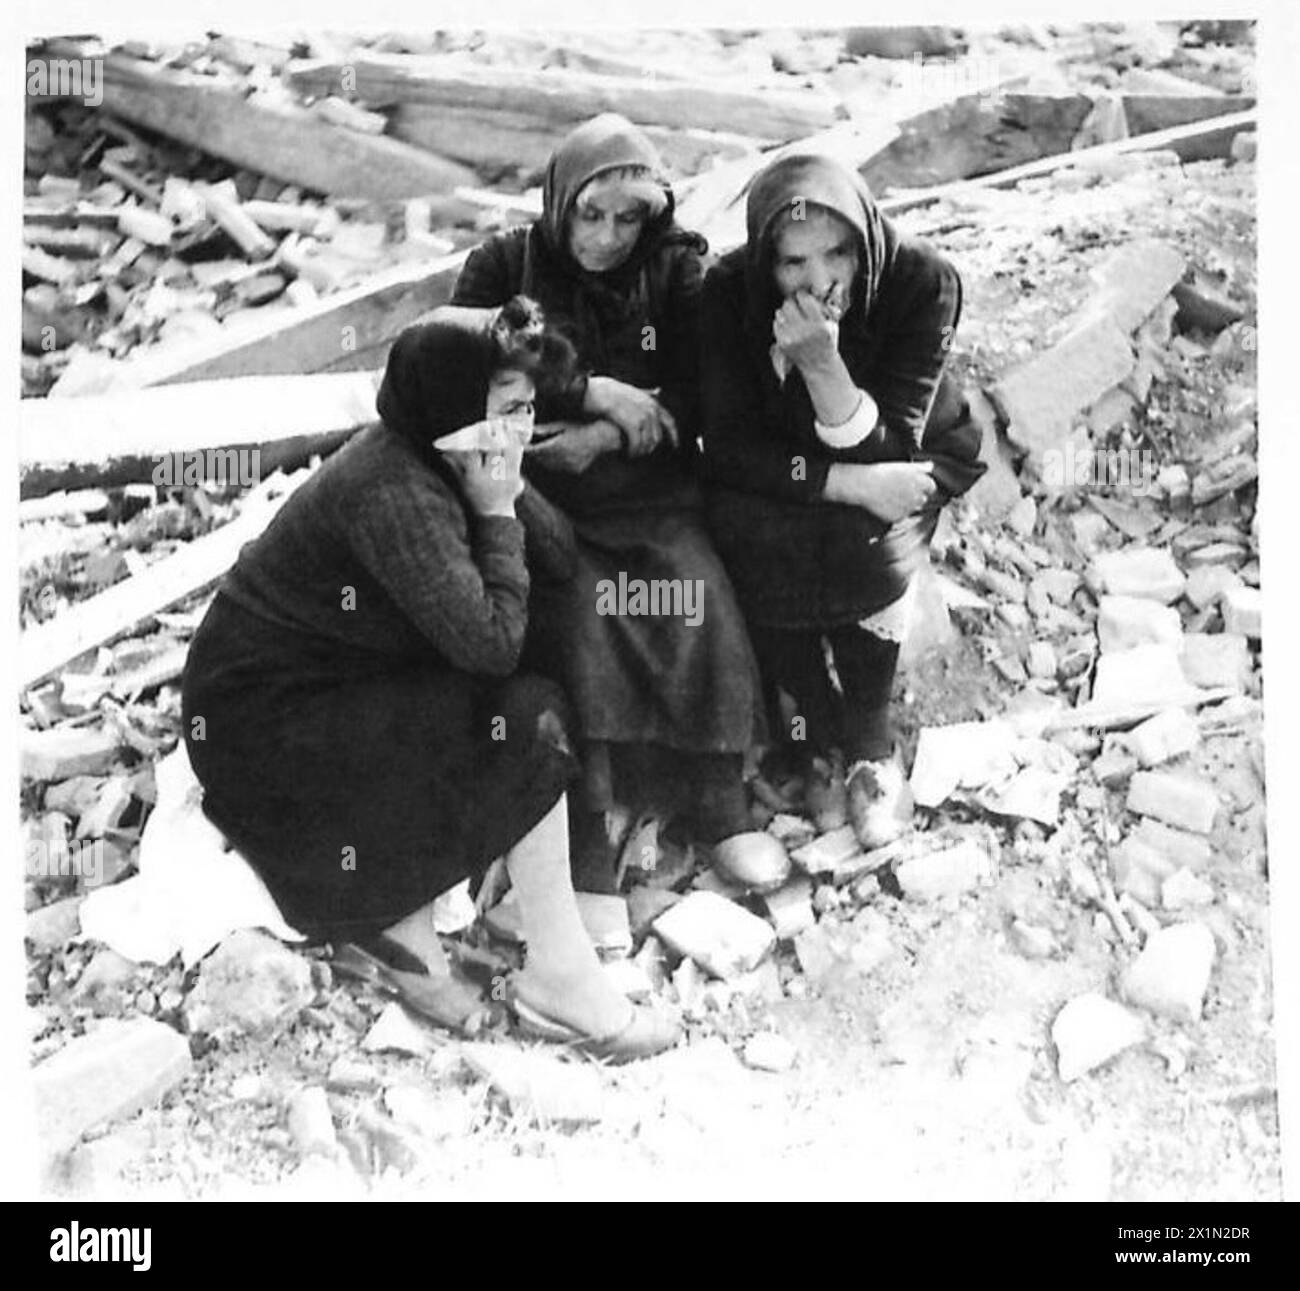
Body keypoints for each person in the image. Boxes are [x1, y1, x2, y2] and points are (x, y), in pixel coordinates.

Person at [181, 297, 678, 1059]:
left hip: (339, 680)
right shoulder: (392, 489)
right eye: (505, 409)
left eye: (527, 410)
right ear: (450, 406)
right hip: (263, 724)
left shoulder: (447, 449)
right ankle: (556, 975)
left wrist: (504, 495)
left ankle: (509, 929)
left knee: (531, 685)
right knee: (525, 715)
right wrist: (497, 510)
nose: (520, 428)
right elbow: (491, 648)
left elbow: (559, 556)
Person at [451, 113, 787, 893]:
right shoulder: (507, 263)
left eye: (627, 218)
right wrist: (589, 390)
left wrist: (608, 439)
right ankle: (590, 823)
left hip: (649, 493)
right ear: (559, 203)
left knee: (697, 598)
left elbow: (707, 396)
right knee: (578, 617)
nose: (605, 237)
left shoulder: (674, 272)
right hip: (538, 494)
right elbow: (456, 358)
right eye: (589, 215)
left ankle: (716, 797)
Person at [700, 152, 987, 850]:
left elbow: (891, 450)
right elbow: (729, 445)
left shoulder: (920, 280)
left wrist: (824, 366)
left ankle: (867, 733)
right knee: (747, 531)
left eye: (836, 255)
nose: (820, 281)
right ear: (764, 261)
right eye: (792, 264)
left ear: (863, 243)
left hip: (902, 446)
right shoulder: (725, 292)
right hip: (783, 461)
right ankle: (815, 730)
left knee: (872, 530)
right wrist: (842, 481)